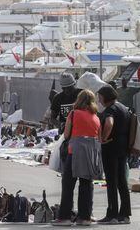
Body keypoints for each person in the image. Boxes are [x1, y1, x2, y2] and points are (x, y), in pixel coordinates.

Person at [52, 90, 102, 227]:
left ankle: (65, 217)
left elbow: (67, 134)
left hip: (74, 152)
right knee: (86, 185)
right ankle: (85, 217)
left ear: (78, 100)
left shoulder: (74, 114)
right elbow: (100, 137)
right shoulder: (96, 117)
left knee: (68, 184)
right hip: (91, 154)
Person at [97, 85, 131, 224]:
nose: (99, 100)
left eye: (100, 97)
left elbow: (109, 123)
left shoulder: (110, 110)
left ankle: (112, 215)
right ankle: (125, 215)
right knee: (122, 181)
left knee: (111, 182)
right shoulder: (123, 108)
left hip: (111, 148)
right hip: (123, 147)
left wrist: (103, 138)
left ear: (105, 97)